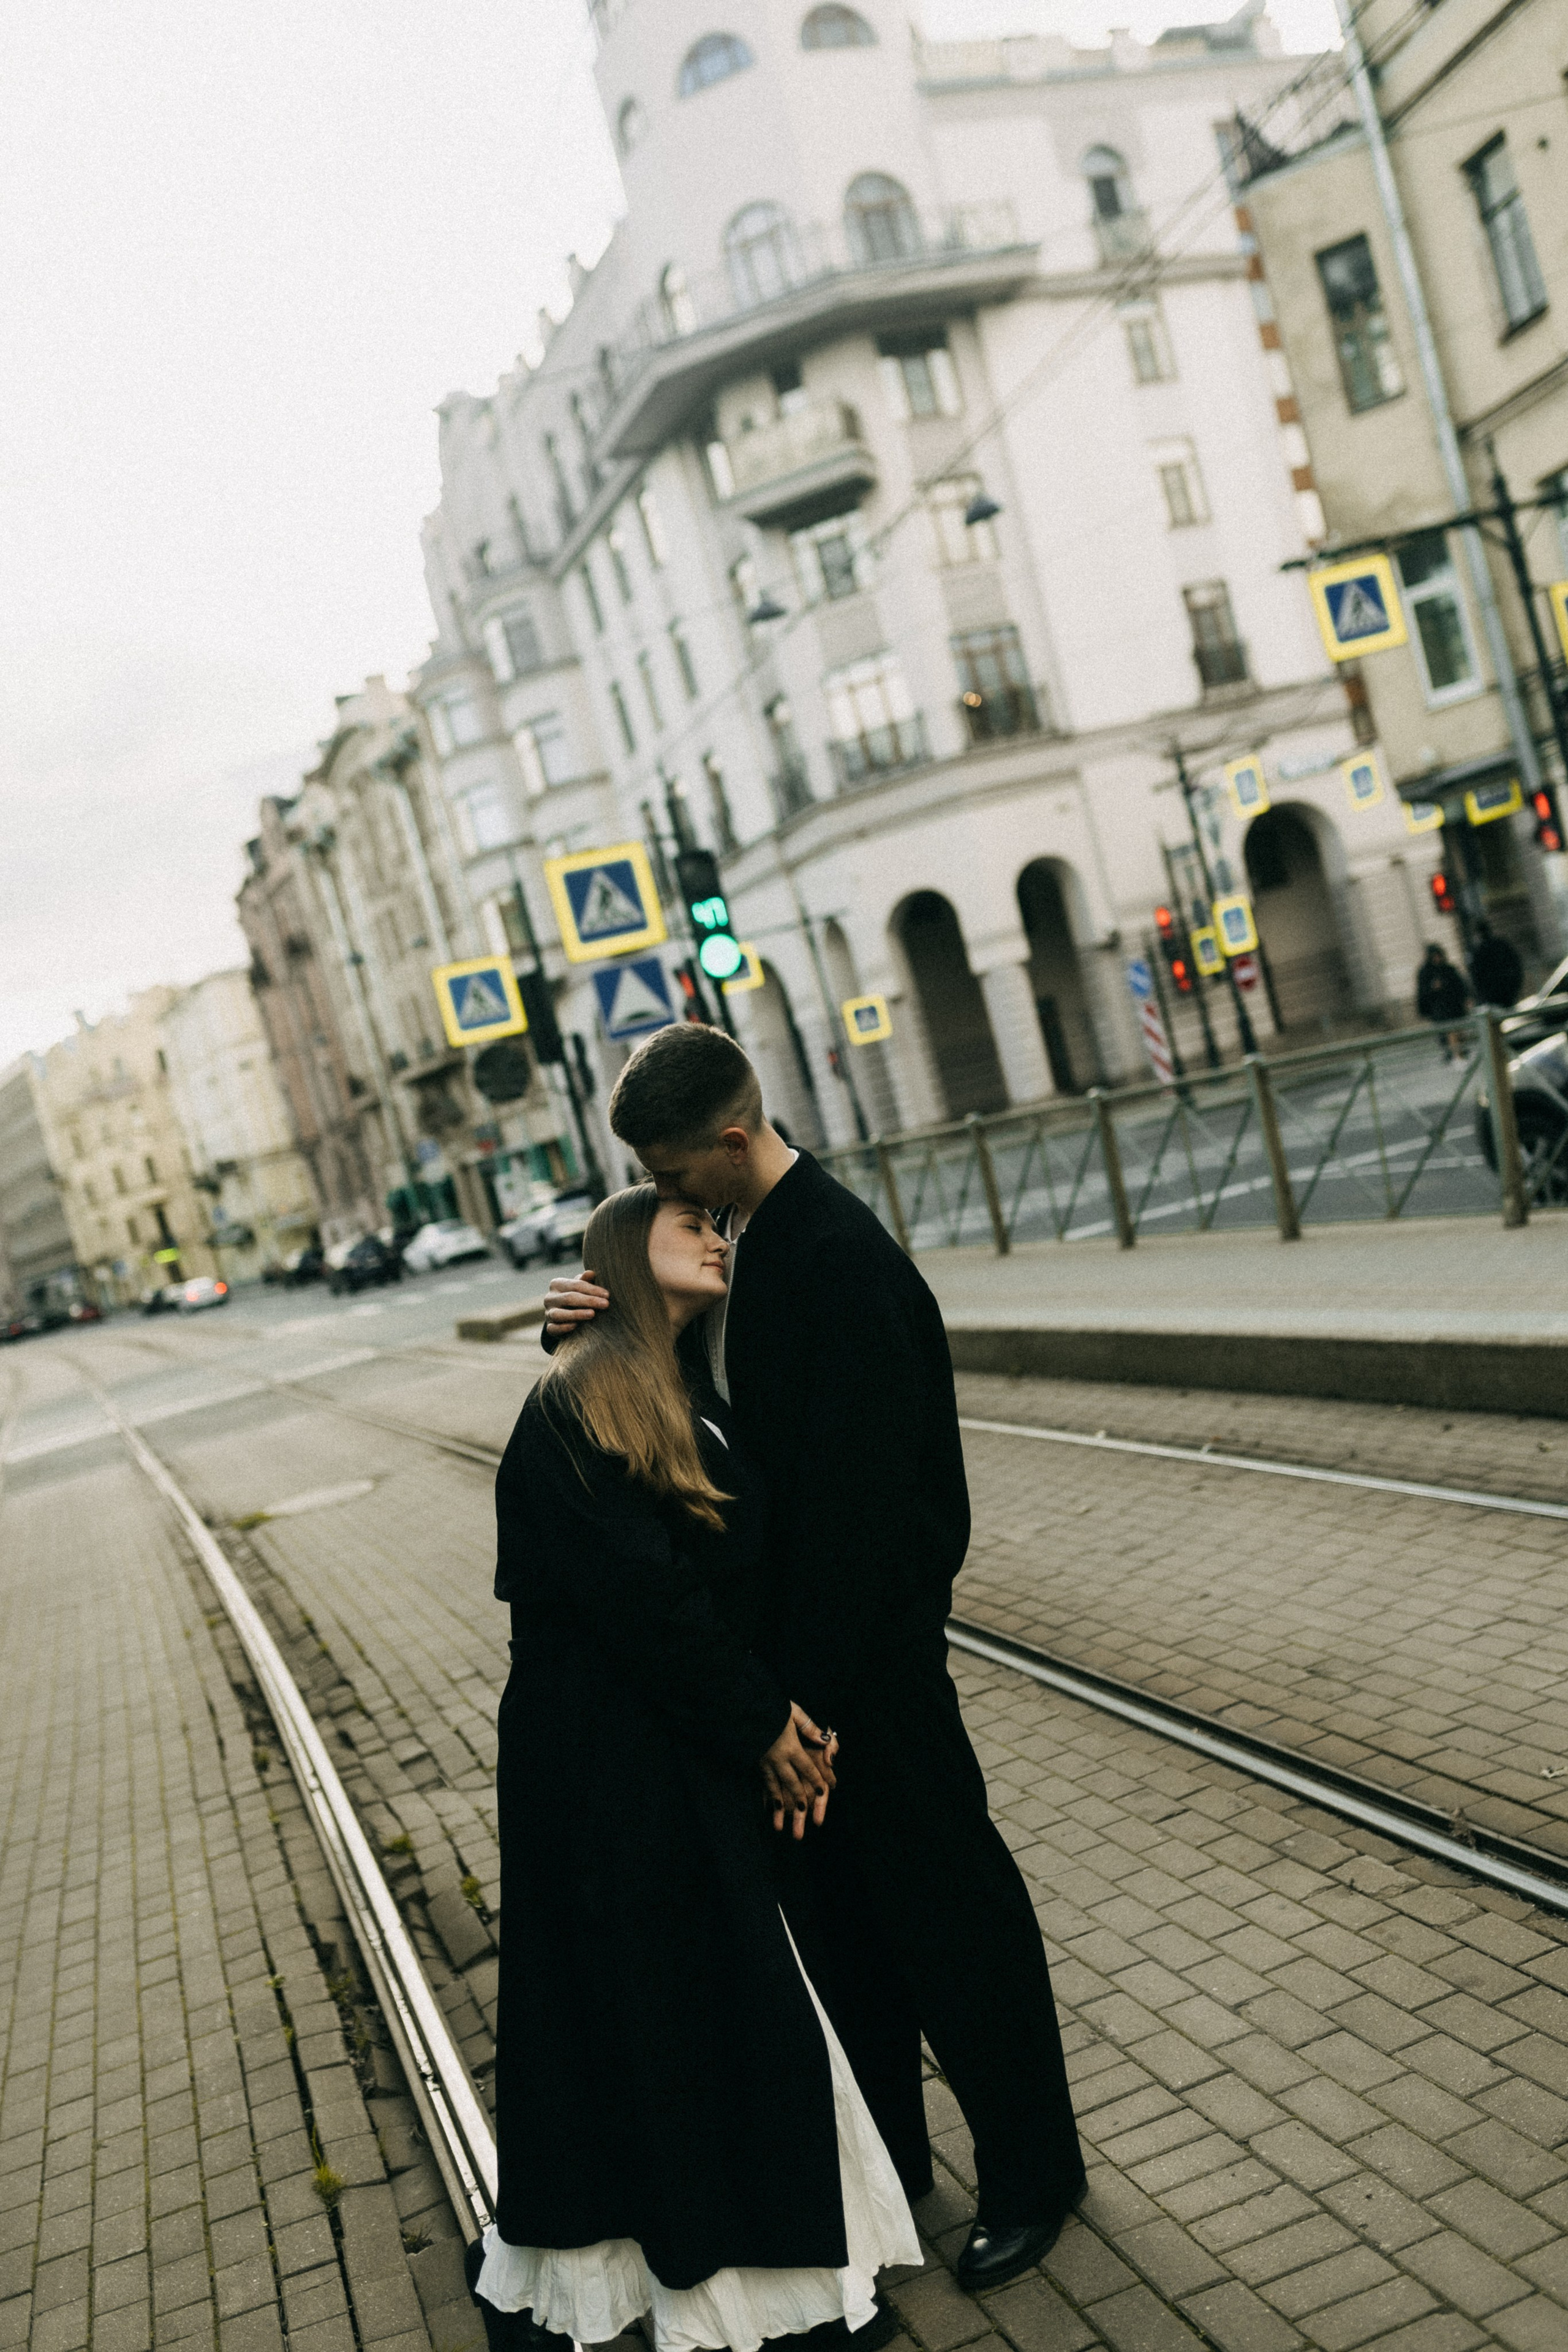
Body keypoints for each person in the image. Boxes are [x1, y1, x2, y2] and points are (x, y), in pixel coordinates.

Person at [545, 1026, 1085, 2295]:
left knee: (954, 1931)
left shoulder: (834, 1259)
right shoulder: (751, 1255)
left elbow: (873, 1521)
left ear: (730, 1141)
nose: (672, 1200)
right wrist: (605, 1320)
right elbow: (708, 1450)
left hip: (866, 1688)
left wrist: (809, 1717)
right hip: (804, 1694)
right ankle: (895, 2169)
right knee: (852, 1947)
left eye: (678, 1174)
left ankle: (1031, 2174)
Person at [467, 1183, 919, 2352]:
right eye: (687, 1227)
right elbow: (645, 1601)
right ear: (622, 1263)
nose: (715, 1237)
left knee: (702, 2001)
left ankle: (762, 2263)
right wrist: (763, 1725)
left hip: (669, 1742)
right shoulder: (578, 1400)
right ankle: (720, 2282)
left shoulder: (684, 1391)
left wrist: (772, 1716)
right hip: (607, 1761)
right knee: (663, 2004)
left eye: (714, 1225)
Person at [1415, 940, 1471, 1059]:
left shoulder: (1449, 969)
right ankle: (1455, 1054)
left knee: (1458, 1031)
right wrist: (1432, 988)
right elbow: (1422, 992)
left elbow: (1460, 985)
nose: (1437, 959)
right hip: (1439, 1009)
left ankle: (1460, 1052)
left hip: (1454, 1006)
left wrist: (1466, 998)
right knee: (1449, 1031)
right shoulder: (1425, 973)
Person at [1469, 921, 1525, 1009]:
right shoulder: (1502, 945)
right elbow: (1516, 965)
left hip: (1492, 996)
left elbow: (1476, 977)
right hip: (1508, 991)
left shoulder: (1478, 952)